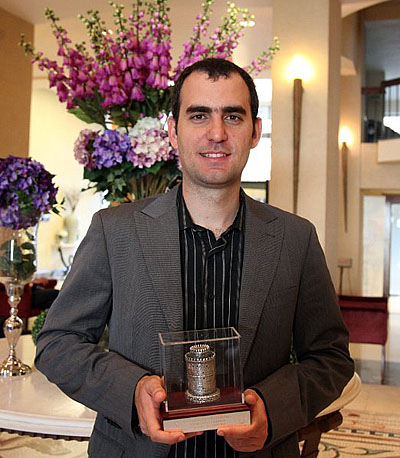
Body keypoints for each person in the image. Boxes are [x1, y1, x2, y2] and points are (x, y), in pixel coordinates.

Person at [35, 58, 354, 458]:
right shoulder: (113, 231)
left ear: (255, 131)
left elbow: (331, 358)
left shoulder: (296, 238)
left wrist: (272, 409)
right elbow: (58, 342)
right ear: (173, 130)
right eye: (199, 115)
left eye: (233, 117)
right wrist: (132, 390)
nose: (217, 133)